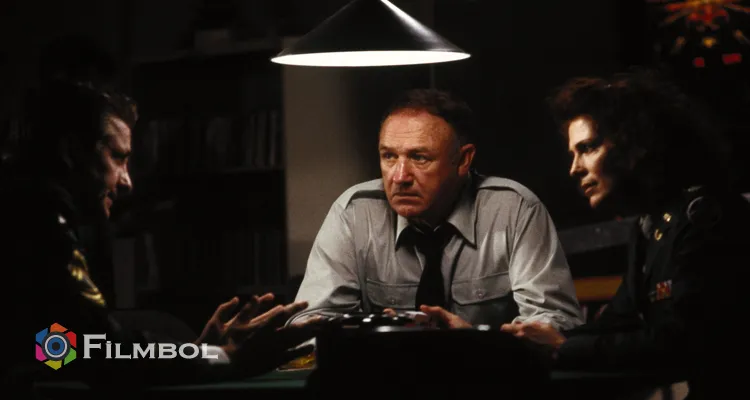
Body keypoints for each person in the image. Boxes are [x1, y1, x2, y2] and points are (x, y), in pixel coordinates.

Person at [1, 80, 318, 396]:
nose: (127, 182)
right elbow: (95, 352)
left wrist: (196, 355)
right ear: (72, 151)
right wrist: (219, 356)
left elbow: (60, 348)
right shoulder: (36, 219)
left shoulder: (30, 210)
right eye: (117, 157)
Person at [497, 69, 750, 398]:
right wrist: (519, 341)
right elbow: (618, 322)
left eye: (588, 148)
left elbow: (682, 342)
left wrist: (562, 347)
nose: (574, 168)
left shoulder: (706, 219)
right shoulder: (650, 225)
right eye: (573, 153)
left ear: (635, 143)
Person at [292, 89, 583, 331]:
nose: (399, 176)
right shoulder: (355, 213)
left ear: (463, 160)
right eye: (389, 156)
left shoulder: (514, 210)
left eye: (419, 158)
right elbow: (309, 325)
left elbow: (556, 322)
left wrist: (476, 344)